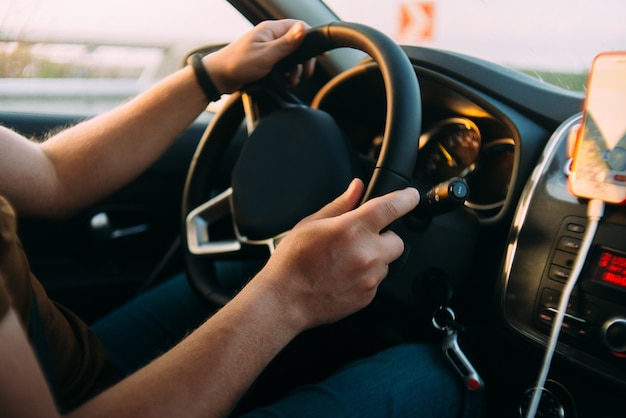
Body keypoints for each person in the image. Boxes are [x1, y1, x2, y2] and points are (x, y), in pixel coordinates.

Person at [0, 19, 481, 417]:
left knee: (246, 268)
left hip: (69, 368)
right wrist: (287, 295)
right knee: (446, 373)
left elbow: (51, 176)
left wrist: (208, 78)